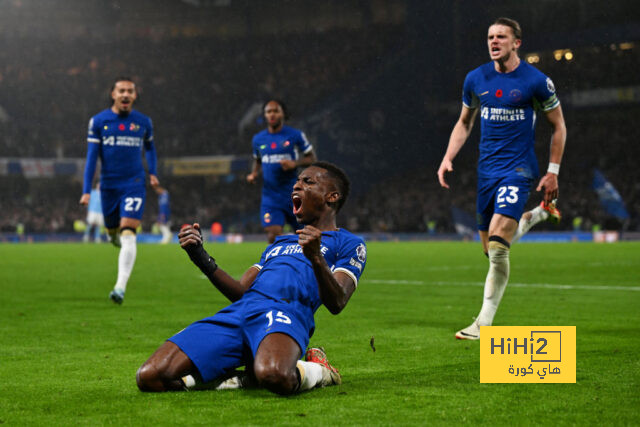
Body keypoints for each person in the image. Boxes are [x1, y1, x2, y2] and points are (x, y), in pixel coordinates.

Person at [136, 162, 367, 395]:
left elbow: (337, 302)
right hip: (241, 313)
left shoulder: (349, 244)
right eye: (297, 181)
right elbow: (239, 292)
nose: (297, 185)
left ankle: (319, 370)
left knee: (275, 375)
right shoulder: (280, 242)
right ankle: (249, 375)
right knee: (150, 376)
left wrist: (316, 257)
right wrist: (201, 257)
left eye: (308, 182)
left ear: (332, 196)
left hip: (284, 314)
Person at [436, 18, 566, 340]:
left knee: (497, 245)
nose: (494, 42)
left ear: (516, 42)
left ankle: (482, 325)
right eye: (490, 37)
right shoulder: (475, 79)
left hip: (518, 170)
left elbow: (559, 126)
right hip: (486, 173)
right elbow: (464, 122)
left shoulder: (536, 82)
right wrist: (448, 156)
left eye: (501, 37)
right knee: (493, 247)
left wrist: (553, 172)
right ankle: (537, 215)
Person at [79, 76, 159, 305]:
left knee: (128, 232)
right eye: (121, 90)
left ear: (135, 95)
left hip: (134, 183)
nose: (125, 94)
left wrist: (152, 172)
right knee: (114, 233)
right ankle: (113, 236)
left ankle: (120, 287)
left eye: (130, 91)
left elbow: (151, 149)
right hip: (109, 186)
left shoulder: (143, 122)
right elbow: (91, 158)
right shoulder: (98, 121)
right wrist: (87, 190)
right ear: (113, 94)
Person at [246, 100, 316, 243]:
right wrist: (254, 174)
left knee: (306, 237)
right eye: (268, 111)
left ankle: (301, 257)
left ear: (283, 113)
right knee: (273, 236)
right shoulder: (258, 139)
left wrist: (295, 163)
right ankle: (283, 259)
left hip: (294, 194)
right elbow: (258, 159)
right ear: (264, 115)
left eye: (275, 111)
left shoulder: (295, 135)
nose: (272, 114)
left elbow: (312, 158)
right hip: (270, 196)